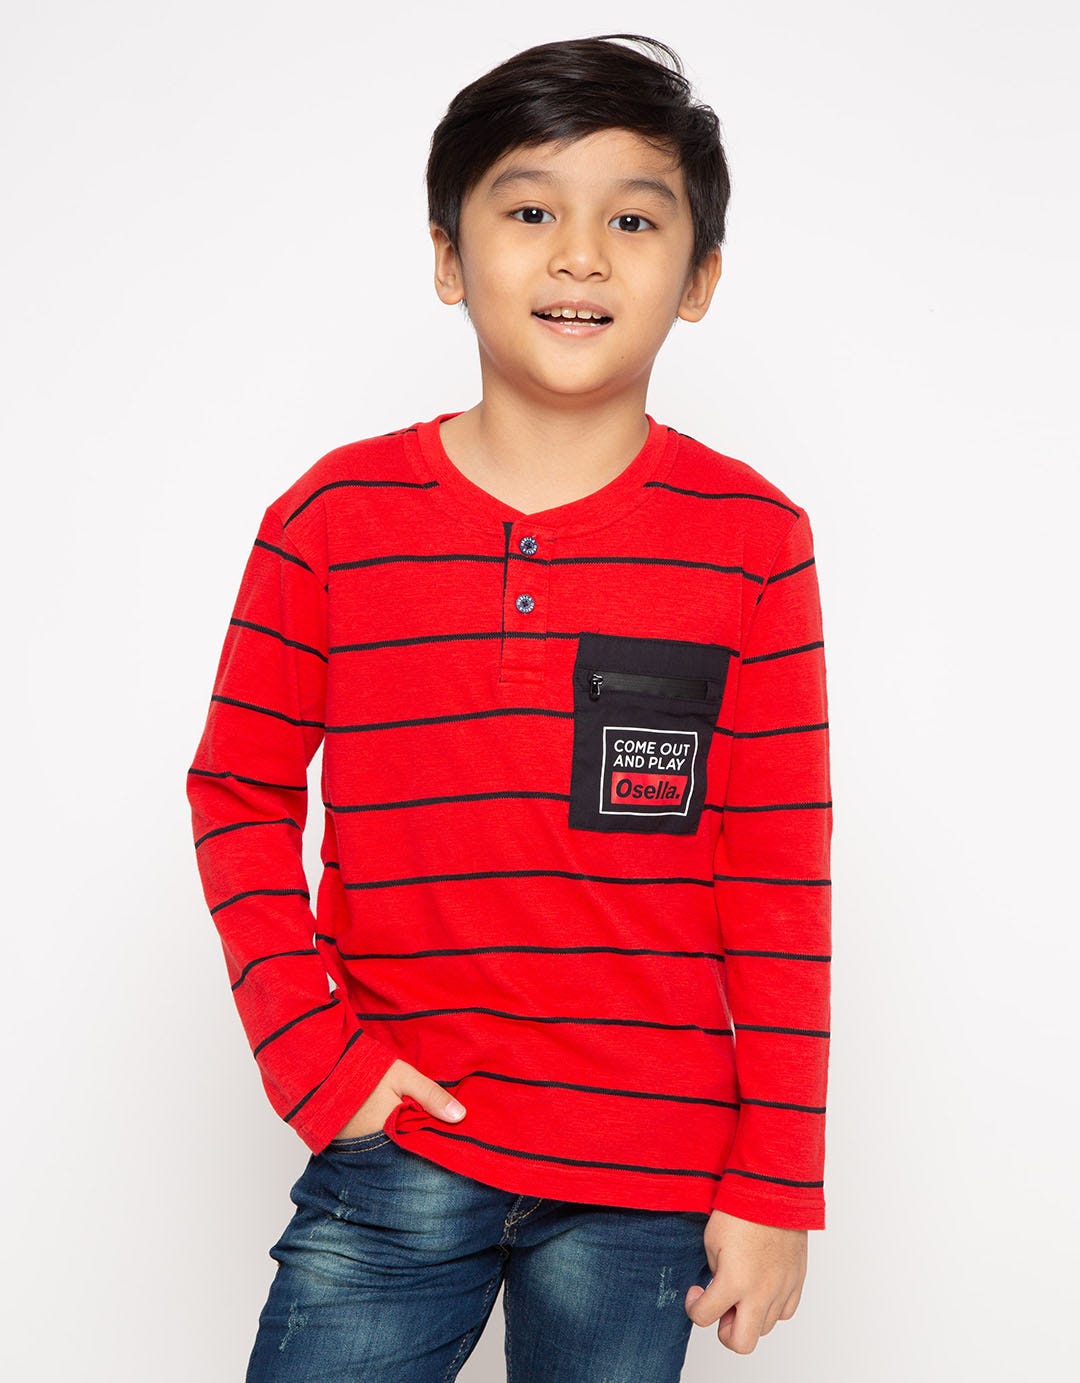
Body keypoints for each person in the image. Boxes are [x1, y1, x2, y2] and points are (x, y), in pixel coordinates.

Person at [186, 31, 833, 1382]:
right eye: (531, 212)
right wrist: (313, 1055)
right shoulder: (329, 521)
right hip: (403, 1138)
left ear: (700, 278)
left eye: (633, 221)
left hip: (650, 1170)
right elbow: (237, 793)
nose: (579, 256)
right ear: (447, 256)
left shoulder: (753, 541)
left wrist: (777, 1180)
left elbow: (777, 866)